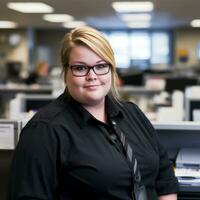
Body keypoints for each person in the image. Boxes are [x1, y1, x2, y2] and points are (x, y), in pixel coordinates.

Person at [8, 26, 178, 200]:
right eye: (80, 68)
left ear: (111, 70)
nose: (92, 76)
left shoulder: (132, 113)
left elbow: (165, 177)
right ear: (65, 72)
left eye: (101, 66)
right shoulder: (43, 130)